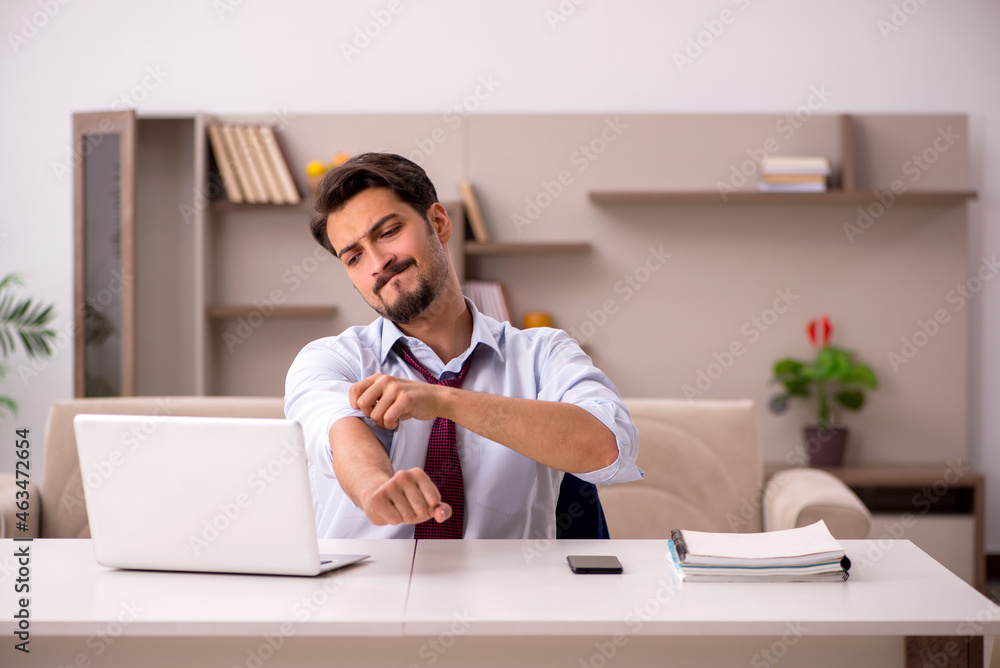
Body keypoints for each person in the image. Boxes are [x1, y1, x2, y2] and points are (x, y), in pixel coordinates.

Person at [284, 152, 641, 539]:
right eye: (353, 257)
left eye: (387, 233)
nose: (377, 263)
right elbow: (340, 431)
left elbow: (606, 448)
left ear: (438, 222)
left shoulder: (543, 354)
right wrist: (373, 486)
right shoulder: (331, 360)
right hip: (369, 592)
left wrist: (442, 400)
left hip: (509, 594)